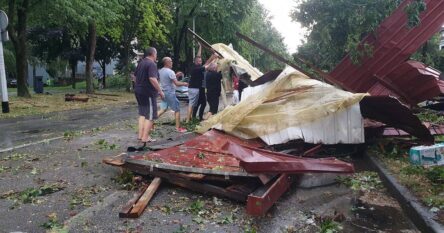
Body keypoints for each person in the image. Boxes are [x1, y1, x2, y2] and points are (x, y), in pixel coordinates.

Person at [134, 47, 164, 148]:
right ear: (153, 54)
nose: (156, 56)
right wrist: (160, 91)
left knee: (143, 113)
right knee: (150, 115)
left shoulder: (141, 63)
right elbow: (152, 78)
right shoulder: (151, 64)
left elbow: (134, 77)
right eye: (156, 54)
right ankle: (145, 137)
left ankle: (140, 135)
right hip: (148, 93)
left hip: (138, 91)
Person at [186, 43, 218, 122]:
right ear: (196, 62)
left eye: (201, 61)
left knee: (201, 103)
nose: (201, 61)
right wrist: (214, 57)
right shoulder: (197, 68)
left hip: (200, 87)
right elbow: (207, 65)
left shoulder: (198, 66)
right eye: (199, 61)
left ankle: (196, 117)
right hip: (197, 88)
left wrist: (200, 47)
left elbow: (204, 60)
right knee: (199, 103)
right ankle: (194, 117)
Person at [157, 57, 188, 133]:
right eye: (171, 61)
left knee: (163, 109)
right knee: (177, 109)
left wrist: (176, 75)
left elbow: (168, 80)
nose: (172, 62)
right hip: (170, 93)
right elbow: (176, 83)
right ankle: (178, 128)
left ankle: (150, 122)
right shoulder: (170, 72)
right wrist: (185, 83)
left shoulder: (160, 71)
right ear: (167, 63)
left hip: (163, 92)